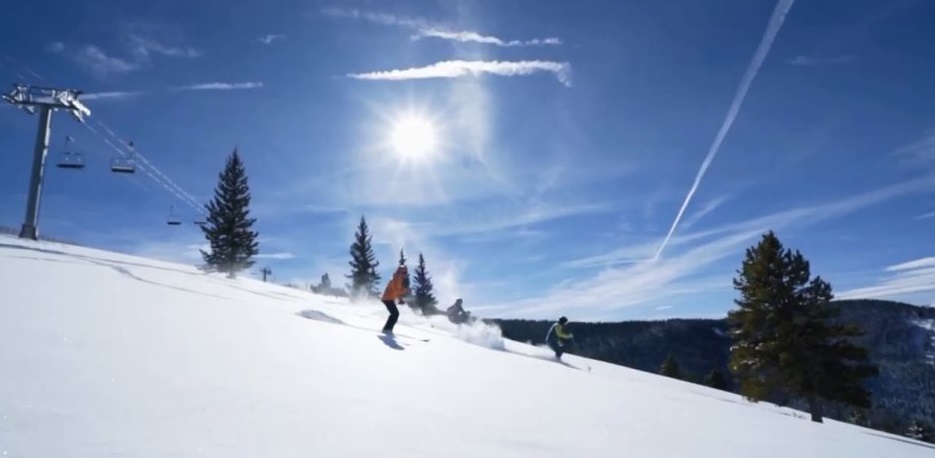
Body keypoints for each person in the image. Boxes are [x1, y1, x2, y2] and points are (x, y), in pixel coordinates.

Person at [381, 264, 410, 333]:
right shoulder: (397, 278)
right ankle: (387, 329)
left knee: (395, 314)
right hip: (387, 298)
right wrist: (405, 291)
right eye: (403, 272)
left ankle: (387, 329)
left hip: (389, 298)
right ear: (399, 271)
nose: (404, 274)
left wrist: (400, 299)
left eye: (405, 272)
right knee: (395, 314)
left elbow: (397, 291)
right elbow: (396, 290)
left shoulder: (398, 278)